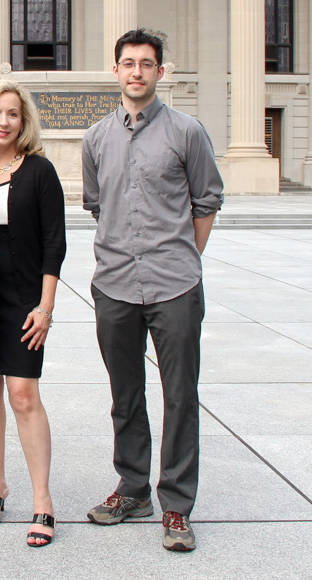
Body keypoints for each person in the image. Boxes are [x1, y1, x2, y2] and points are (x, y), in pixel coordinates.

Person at [81, 28, 224, 552]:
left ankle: (177, 505)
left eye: (146, 63)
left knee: (181, 396)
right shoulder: (96, 138)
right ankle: (133, 487)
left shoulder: (187, 132)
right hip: (115, 284)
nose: (136, 71)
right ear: (115, 71)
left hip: (175, 285)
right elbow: (98, 205)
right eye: (127, 63)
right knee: (125, 394)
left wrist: (184, 257)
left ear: (161, 72)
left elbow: (206, 201)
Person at [0, 80, 66, 548]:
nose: (3, 122)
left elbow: (54, 243)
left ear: (23, 121)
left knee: (23, 394)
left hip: (26, 296)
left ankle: (42, 499)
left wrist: (46, 306)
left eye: (12, 114)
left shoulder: (40, 171)